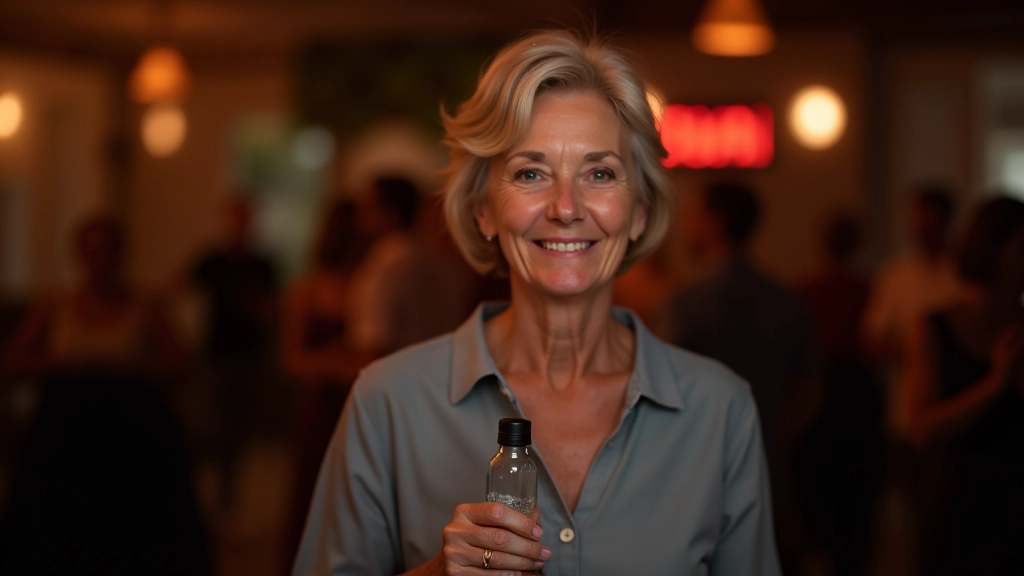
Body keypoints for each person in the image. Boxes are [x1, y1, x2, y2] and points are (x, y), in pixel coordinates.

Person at [294, 30, 780, 575]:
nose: (565, 208)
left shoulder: (721, 410)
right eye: (530, 173)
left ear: (639, 211)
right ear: (483, 210)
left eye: (600, 173)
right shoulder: (387, 402)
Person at [903, 196, 1024, 576]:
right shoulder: (936, 327)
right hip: (959, 504)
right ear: (994, 250)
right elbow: (922, 429)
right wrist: (995, 384)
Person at [281, 199, 368, 563]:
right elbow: (292, 359)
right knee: (313, 491)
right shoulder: (308, 288)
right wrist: (336, 363)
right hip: (321, 404)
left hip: (358, 404)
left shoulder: (370, 282)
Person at [3, 214, 184, 380]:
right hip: (67, 398)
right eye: (93, 251)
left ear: (120, 254)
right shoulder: (53, 305)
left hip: (126, 398)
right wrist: (62, 366)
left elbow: (181, 365)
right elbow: (12, 364)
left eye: (107, 251)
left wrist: (128, 367)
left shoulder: (144, 306)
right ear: (79, 254)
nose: (100, 260)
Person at [189, 195, 279, 510]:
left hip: (248, 355)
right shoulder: (212, 261)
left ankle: (226, 497)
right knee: (211, 427)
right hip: (217, 354)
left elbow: (271, 309)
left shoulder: (262, 265)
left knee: (238, 430)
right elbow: (183, 292)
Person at [346, 176, 469, 358]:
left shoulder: (385, 264)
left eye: (368, 208)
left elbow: (372, 346)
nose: (359, 218)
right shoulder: (447, 266)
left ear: (391, 213)